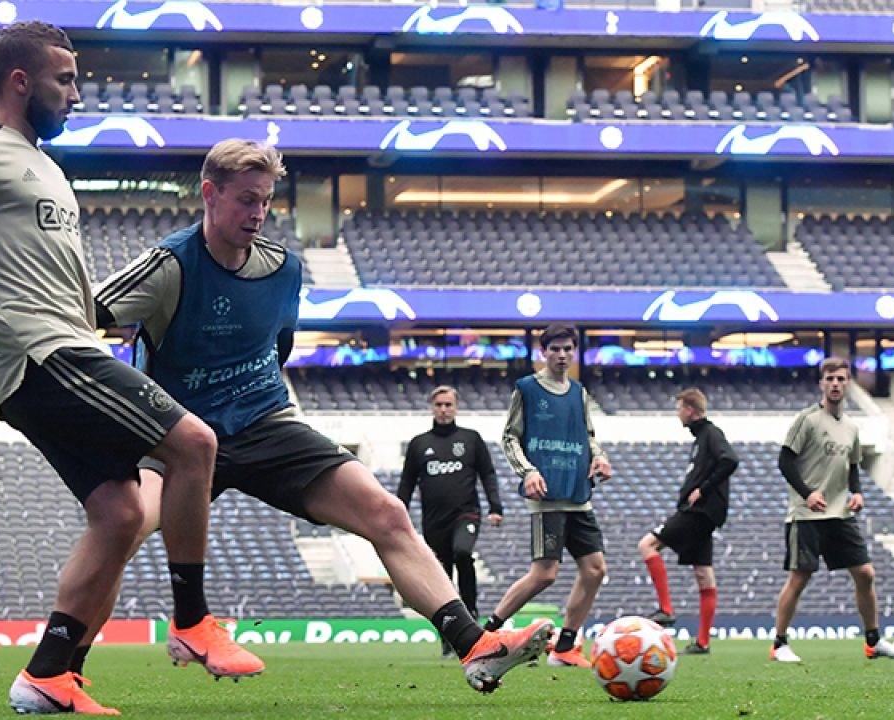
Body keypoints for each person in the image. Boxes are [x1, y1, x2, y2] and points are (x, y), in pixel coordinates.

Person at [0, 22, 259, 715]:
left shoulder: (47, 167)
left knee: (120, 515)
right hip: (43, 354)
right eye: (66, 80)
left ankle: (50, 675)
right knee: (195, 443)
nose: (77, 94)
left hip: (74, 345)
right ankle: (193, 619)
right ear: (20, 81)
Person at [91, 137, 554, 694]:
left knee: (385, 513)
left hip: (264, 424)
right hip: (179, 435)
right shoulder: (170, 265)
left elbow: (278, 347)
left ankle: (474, 646)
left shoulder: (283, 269)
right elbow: (83, 317)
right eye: (246, 200)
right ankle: (59, 666)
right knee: (123, 527)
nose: (258, 213)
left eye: (266, 201)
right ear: (210, 195)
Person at [484, 324, 611, 669]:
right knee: (544, 574)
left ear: (574, 352)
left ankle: (565, 647)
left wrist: (599, 457)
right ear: (543, 352)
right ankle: (486, 634)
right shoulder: (527, 388)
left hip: (578, 492)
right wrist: (528, 471)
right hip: (547, 493)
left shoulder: (579, 392)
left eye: (568, 349)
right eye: (555, 349)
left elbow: (588, 435)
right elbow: (510, 437)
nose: (562, 355)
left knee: (595, 569)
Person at [770, 357, 894, 662]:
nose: (835, 384)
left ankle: (873, 641)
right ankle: (779, 644)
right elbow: (784, 461)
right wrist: (807, 494)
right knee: (799, 577)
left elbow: (853, 466)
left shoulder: (851, 428)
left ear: (848, 384)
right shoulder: (807, 420)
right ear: (821, 383)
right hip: (806, 514)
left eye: (841, 379)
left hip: (839, 513)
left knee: (865, 573)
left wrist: (856, 492)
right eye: (830, 379)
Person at [398, 385, 503, 656]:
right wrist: (398, 513)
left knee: (462, 553)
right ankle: (448, 634)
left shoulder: (470, 439)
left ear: (456, 408)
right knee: (441, 575)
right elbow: (407, 483)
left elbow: (487, 474)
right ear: (432, 408)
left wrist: (495, 506)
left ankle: (471, 612)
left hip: (466, 513)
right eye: (439, 405)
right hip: (434, 521)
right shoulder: (419, 444)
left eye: (448, 405)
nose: (443, 410)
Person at [637, 388, 737, 654]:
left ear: (691, 410)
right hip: (704, 515)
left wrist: (703, 489)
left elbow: (730, 460)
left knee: (647, 545)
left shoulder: (711, 433)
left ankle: (666, 609)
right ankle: (703, 642)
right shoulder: (701, 438)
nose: (678, 414)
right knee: (703, 574)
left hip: (699, 512)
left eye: (680, 408)